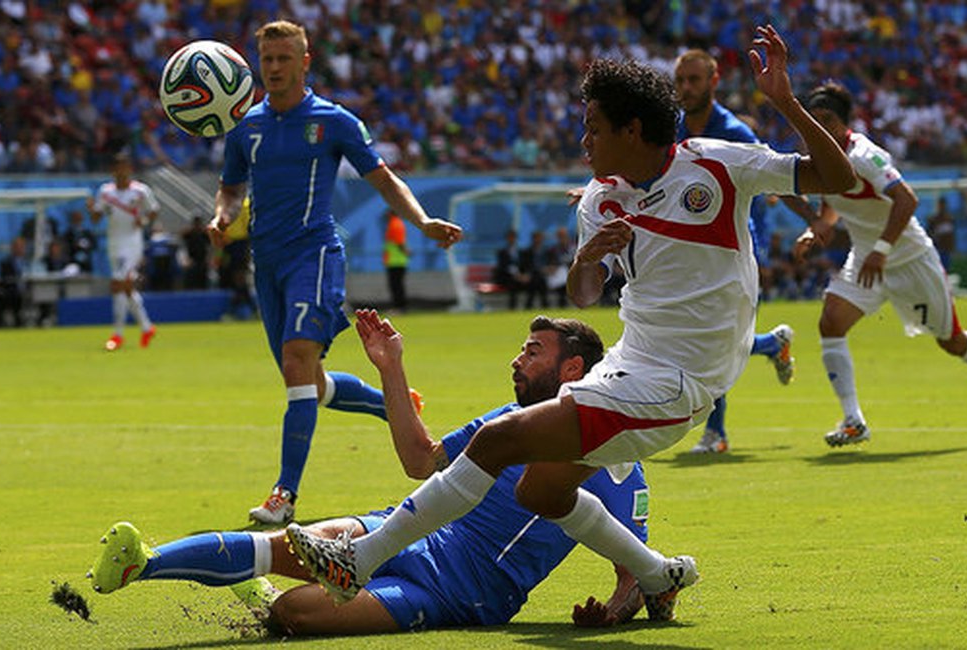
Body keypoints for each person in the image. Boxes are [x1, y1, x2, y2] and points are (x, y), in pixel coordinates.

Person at [284, 26, 854, 622]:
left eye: (594, 128)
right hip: (631, 362)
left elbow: (837, 181)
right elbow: (584, 297)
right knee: (539, 490)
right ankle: (657, 576)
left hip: (682, 381)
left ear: (632, 131)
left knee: (497, 441)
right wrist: (587, 258)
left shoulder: (718, 167)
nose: (584, 140)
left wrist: (785, 101)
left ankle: (360, 560)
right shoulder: (600, 199)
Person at [88, 313, 649, 634]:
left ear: (571, 368)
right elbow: (421, 461)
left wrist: (614, 613)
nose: (516, 360)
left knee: (293, 613)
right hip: (403, 532)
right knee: (287, 543)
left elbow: (637, 571)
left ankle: (265, 590)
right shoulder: (508, 422)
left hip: (462, 590)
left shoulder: (616, 457)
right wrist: (392, 367)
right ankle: (145, 563)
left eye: (532, 352)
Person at [208, 21, 463, 526]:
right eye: (268, 59)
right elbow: (231, 188)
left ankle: (285, 494)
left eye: (285, 58)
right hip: (269, 263)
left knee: (297, 360)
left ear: (305, 62)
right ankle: (396, 405)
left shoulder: (333, 121)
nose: (275, 68)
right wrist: (222, 216)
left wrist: (421, 221)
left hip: (315, 254)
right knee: (309, 379)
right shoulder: (246, 127)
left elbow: (383, 178)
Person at [790, 81, 967, 447]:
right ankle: (853, 420)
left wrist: (882, 249)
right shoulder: (818, 157)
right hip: (866, 258)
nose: (819, 127)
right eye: (812, 120)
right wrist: (815, 229)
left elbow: (907, 200)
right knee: (831, 321)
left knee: (951, 341)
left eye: (827, 119)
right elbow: (833, 203)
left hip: (908, 257)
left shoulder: (865, 154)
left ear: (844, 124)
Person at [672, 47, 799, 454]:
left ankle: (716, 433)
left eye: (694, 80)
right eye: (680, 80)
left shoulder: (733, 132)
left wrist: (815, 221)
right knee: (710, 341)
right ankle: (771, 344)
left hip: (732, 249)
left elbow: (777, 172)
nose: (686, 88)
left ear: (713, 82)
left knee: (709, 341)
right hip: (688, 248)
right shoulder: (672, 128)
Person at [88, 152, 158, 351]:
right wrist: (92, 211)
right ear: (113, 170)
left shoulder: (140, 191)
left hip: (132, 242)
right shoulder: (105, 192)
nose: (122, 171)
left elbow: (153, 210)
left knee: (118, 284)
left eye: (125, 167)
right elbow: (96, 218)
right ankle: (146, 327)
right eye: (118, 168)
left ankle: (117, 335)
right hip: (114, 242)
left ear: (130, 169)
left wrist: (143, 221)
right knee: (125, 287)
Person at [382, 211, 408, 312]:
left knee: (396, 285)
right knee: (397, 284)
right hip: (395, 259)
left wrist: (405, 251)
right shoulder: (395, 223)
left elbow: (399, 242)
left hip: (396, 260)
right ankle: (400, 307)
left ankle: (399, 307)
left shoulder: (395, 224)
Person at [493, 228, 526, 309]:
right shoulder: (502, 252)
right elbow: (503, 267)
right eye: (510, 237)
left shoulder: (521, 252)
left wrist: (524, 275)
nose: (512, 239)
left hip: (519, 278)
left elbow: (524, 265)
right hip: (506, 277)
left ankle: (529, 307)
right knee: (513, 282)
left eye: (513, 237)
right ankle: (512, 307)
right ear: (507, 238)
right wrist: (516, 274)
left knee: (533, 282)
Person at [545, 226, 576, 308]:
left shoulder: (574, 248)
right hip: (558, 274)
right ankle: (561, 301)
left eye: (564, 236)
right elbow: (550, 264)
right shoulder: (553, 250)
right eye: (560, 236)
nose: (562, 238)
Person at [519, 230, 549, 309]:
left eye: (539, 238)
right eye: (536, 238)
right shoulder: (527, 252)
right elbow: (524, 266)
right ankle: (529, 306)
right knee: (534, 281)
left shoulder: (547, 251)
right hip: (531, 275)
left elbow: (551, 263)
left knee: (540, 281)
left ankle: (545, 305)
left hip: (544, 275)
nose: (538, 240)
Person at [180, 216, 211, 290]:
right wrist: (186, 259)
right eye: (196, 223)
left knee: (203, 283)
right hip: (191, 261)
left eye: (199, 223)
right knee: (190, 283)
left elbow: (210, 247)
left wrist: (209, 259)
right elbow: (182, 245)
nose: (197, 225)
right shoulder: (188, 234)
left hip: (202, 262)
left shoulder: (204, 235)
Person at [62, 210, 97, 274]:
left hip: (86, 264)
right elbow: (65, 247)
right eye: (75, 218)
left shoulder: (87, 233)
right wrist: (75, 245)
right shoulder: (67, 234)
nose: (77, 220)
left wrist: (87, 245)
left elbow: (94, 245)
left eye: (79, 218)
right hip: (72, 264)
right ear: (72, 219)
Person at [927, 196, 956, 272]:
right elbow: (929, 234)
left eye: (943, 205)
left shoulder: (950, 219)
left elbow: (952, 235)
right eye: (940, 205)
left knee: (945, 270)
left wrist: (952, 247)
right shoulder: (933, 219)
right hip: (937, 249)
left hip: (946, 249)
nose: (942, 207)